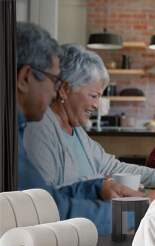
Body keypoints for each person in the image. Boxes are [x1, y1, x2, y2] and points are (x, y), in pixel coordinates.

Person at [16, 22, 140, 234]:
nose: (55, 90)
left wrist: (97, 187)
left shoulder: (18, 129)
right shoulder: (33, 130)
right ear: (26, 78)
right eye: (54, 80)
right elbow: (45, 212)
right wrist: (131, 215)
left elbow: (45, 199)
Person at [24, 44, 155, 190]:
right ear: (64, 89)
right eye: (94, 96)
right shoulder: (38, 130)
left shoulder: (77, 133)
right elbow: (46, 198)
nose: (96, 105)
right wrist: (102, 194)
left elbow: (113, 168)